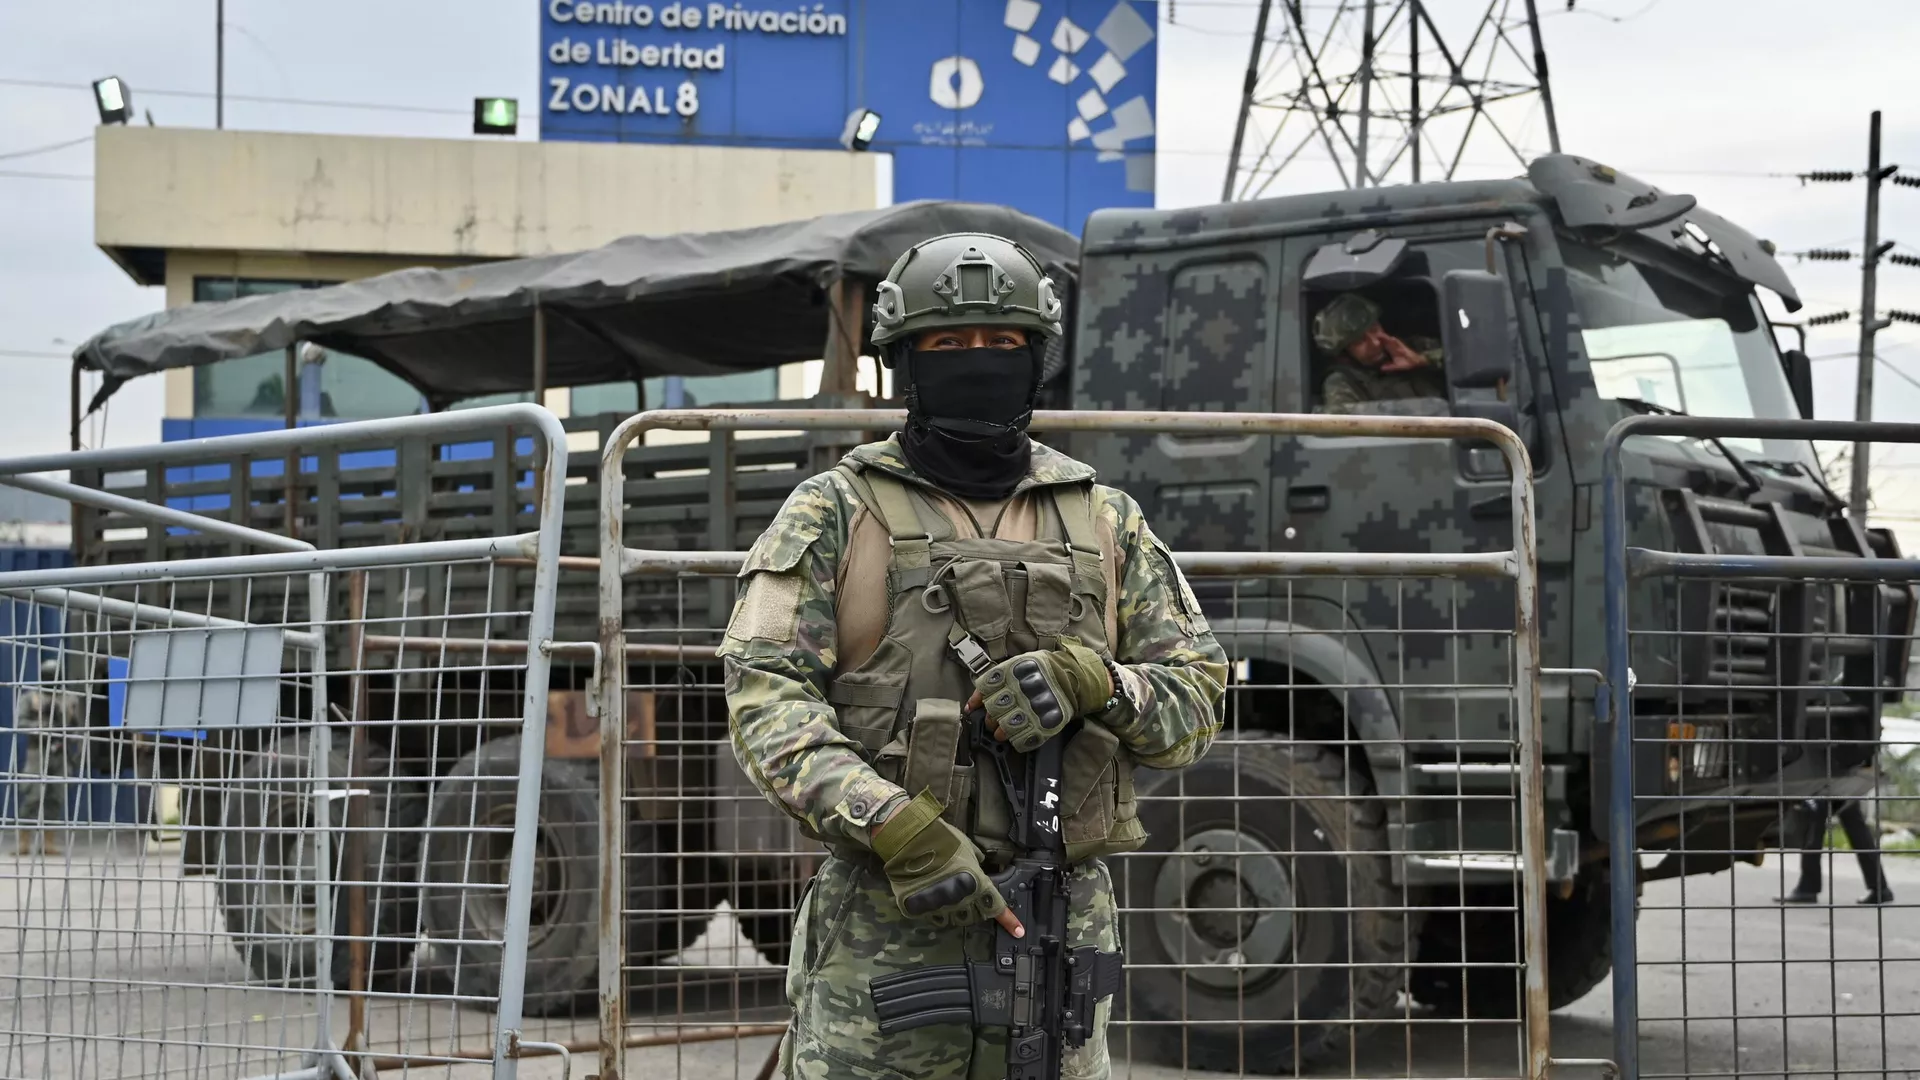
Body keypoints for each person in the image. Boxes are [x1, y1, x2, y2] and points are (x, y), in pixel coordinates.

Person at [720, 232, 1229, 1080]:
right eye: (950, 345)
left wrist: (1099, 681)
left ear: (1036, 361)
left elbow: (1196, 701)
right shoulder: (833, 513)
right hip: (886, 929)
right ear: (905, 365)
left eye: (1003, 344)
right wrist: (891, 824)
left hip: (1062, 926)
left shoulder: (1104, 518)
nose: (980, 363)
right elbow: (766, 700)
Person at [1312, 292, 1448, 414]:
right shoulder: (1342, 382)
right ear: (1345, 353)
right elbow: (1342, 426)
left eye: (1375, 329)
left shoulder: (1415, 347)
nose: (1375, 343)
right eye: (1360, 341)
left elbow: (1464, 362)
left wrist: (1422, 360)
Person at [11, 659, 82, 856]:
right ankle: (23, 841)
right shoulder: (30, 698)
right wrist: (41, 728)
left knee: (55, 797)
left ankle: (48, 842)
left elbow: (78, 726)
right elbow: (21, 723)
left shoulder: (70, 699)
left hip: (62, 753)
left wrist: (74, 747)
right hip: (38, 753)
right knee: (33, 796)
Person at [1776, 798, 1894, 906]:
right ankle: (1880, 887)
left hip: (1826, 779)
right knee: (1853, 819)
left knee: (1813, 817)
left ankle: (1808, 886)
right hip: (1846, 779)